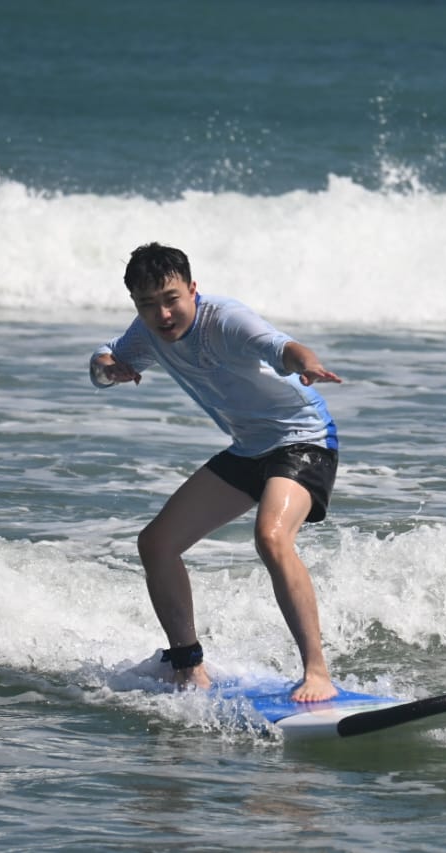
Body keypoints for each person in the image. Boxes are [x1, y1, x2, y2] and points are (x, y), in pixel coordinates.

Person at [89, 242, 342, 702]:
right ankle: (188, 667)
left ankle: (317, 672)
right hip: (249, 449)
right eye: (147, 304)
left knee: (271, 537)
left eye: (171, 299)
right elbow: (105, 361)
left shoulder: (225, 320)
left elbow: (280, 347)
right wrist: (109, 370)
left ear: (193, 289)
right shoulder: (147, 332)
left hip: (304, 440)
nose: (163, 314)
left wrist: (306, 363)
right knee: (157, 544)